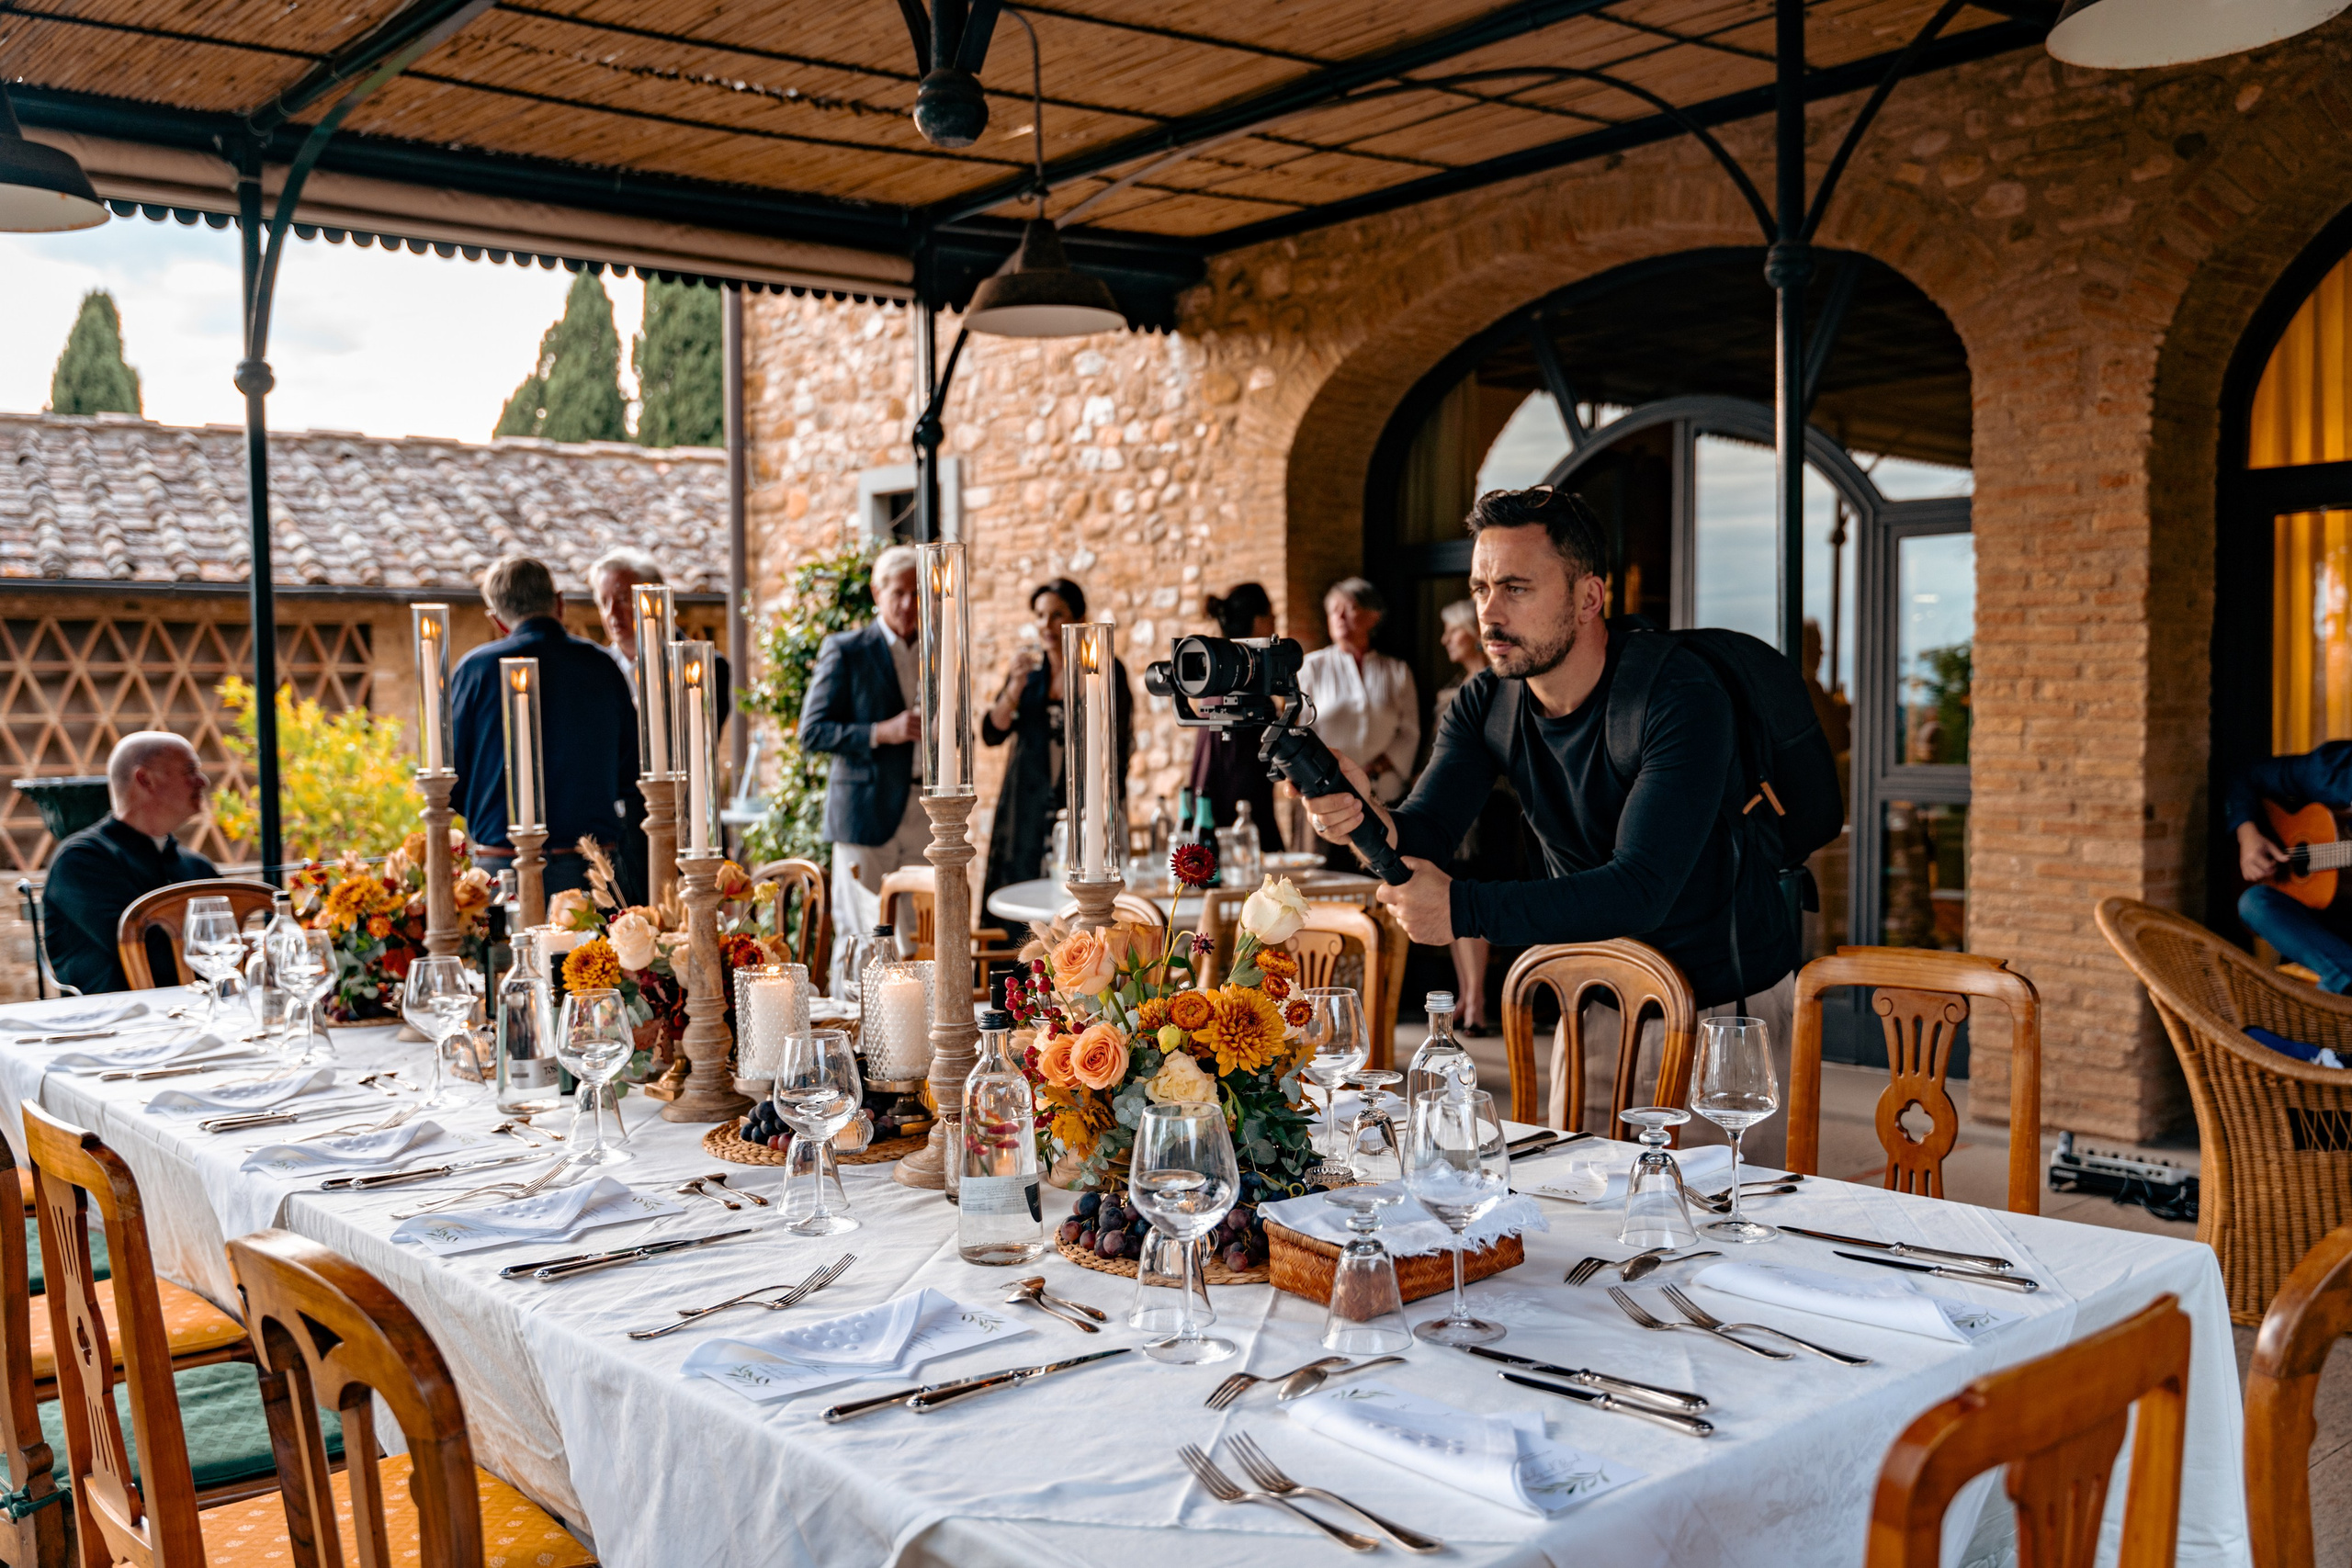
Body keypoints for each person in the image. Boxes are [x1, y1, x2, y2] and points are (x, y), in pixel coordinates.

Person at [1302, 486, 1799, 1158]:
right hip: (1594, 996)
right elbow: (1422, 834)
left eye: (1515, 588)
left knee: (1720, 1234)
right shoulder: (1487, 703)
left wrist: (1463, 906)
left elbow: (1640, 888)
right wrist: (1361, 815)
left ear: (1588, 597)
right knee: (1577, 1228)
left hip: (1721, 1008)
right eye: (1481, 588)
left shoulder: (1678, 694)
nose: (1489, 613)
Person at [450, 555, 642, 898]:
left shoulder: (475, 671)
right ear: (560, 603)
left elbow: (449, 782)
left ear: (498, 620)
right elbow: (631, 773)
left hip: (502, 870)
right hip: (594, 871)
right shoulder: (602, 667)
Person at [802, 546, 930, 995]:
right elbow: (812, 731)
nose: (909, 604)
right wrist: (881, 732)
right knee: (861, 935)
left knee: (913, 938)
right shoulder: (846, 650)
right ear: (877, 593)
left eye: (917, 593)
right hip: (864, 814)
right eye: (899, 592)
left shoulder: (937, 651)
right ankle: (846, 1036)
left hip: (924, 812)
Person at [980, 578, 1134, 907]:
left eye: (1056, 615)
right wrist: (1014, 687)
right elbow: (992, 732)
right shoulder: (1030, 673)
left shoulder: (1105, 669)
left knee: (1076, 903)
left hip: (1084, 806)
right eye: (1039, 615)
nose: (1046, 625)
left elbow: (1118, 744)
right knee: (1021, 896)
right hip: (1026, 803)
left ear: (1078, 619)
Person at [41, 732, 220, 994]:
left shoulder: (198, 867)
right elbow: (152, 955)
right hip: (114, 1026)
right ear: (145, 779)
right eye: (190, 770)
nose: (203, 781)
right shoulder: (81, 861)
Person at [1433, 597, 1521, 1035]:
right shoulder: (1450, 689)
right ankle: (1465, 994)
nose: (1447, 639)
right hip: (1453, 813)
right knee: (1449, 901)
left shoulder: (1502, 686)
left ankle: (1479, 1000)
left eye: (1454, 630)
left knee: (1474, 901)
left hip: (1492, 810)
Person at [1299, 578, 1418, 868]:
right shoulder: (1312, 667)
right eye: (1332, 610)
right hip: (1327, 797)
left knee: (1383, 876)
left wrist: (1375, 768)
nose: (1338, 617)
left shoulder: (1396, 671)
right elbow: (1299, 732)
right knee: (1324, 882)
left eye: (1348, 608)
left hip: (1384, 795)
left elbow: (1409, 732)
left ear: (1373, 615)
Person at [2228, 744, 2352, 992]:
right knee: (2254, 902)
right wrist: (2247, 834)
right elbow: (2246, 778)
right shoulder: (2333, 768)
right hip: (2319, 928)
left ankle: (2340, 980)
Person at [1185, 582, 1283, 853]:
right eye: (1272, 614)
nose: (1276, 621)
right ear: (1259, 620)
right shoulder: (1252, 689)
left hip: (1212, 810)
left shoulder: (1216, 680)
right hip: (1244, 820)